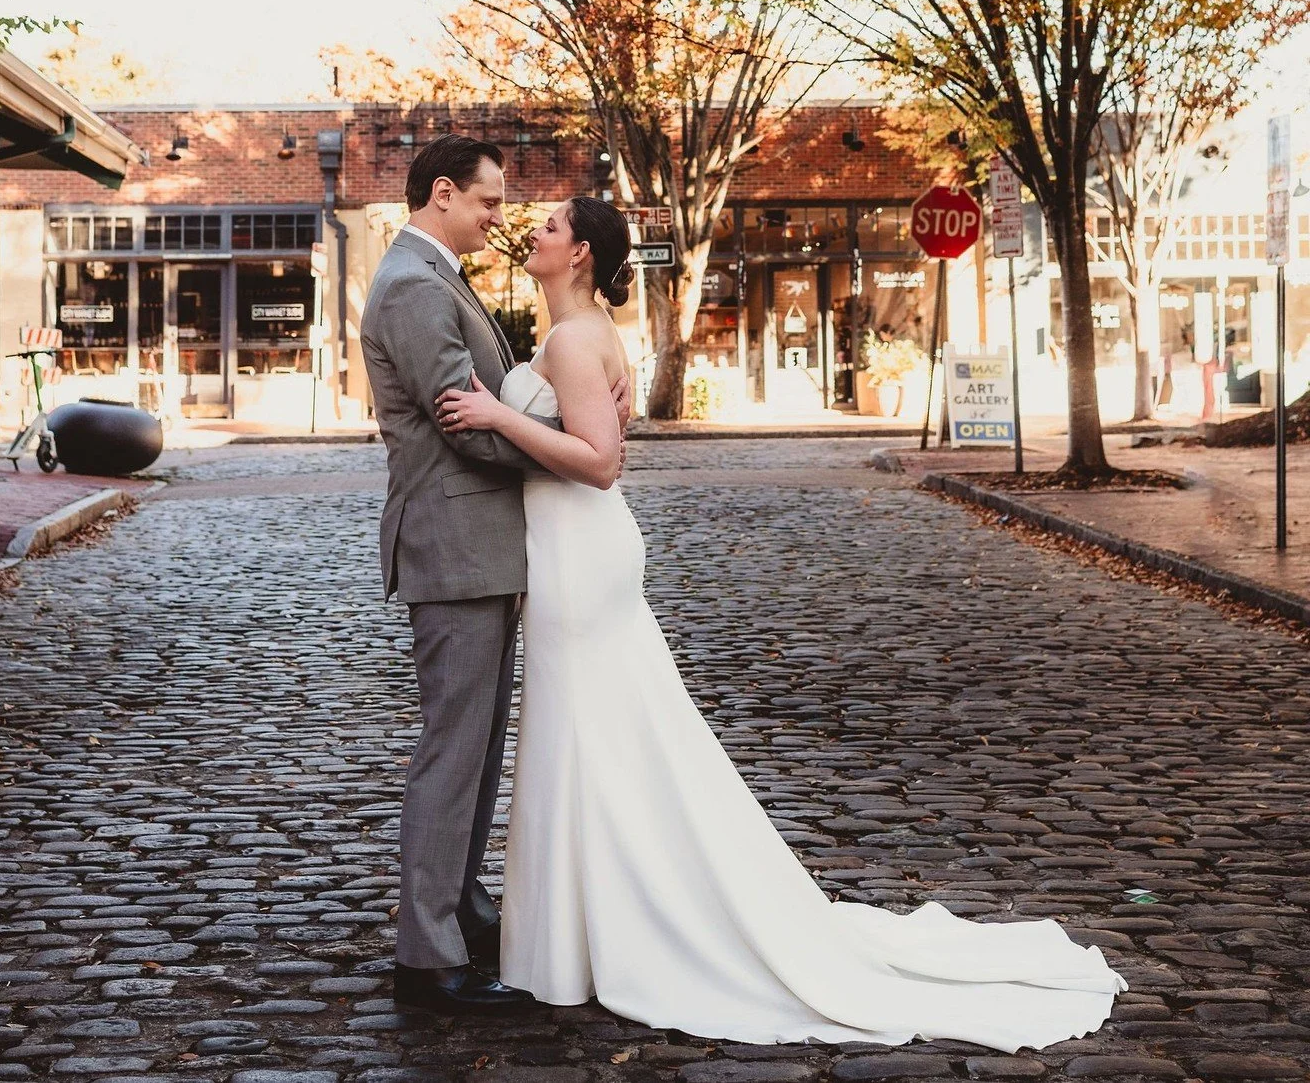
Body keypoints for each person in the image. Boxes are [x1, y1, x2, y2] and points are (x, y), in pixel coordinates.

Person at [435, 196, 1127, 1052]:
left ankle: (589, 934)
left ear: (578, 253)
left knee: (583, 733)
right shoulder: (576, 333)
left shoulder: (576, 340)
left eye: (548, 227)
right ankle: (579, 925)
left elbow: (602, 463)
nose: (532, 233)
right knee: (597, 735)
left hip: (580, 555)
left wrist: (499, 415)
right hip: (570, 551)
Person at [359, 136, 630, 1015]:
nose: (499, 219)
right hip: (454, 547)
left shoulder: (439, 277)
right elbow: (465, 426)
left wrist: (578, 424)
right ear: (443, 193)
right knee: (454, 748)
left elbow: (494, 403)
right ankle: (426, 955)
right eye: (488, 202)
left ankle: (464, 908)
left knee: (477, 747)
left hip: (485, 548)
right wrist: (578, 448)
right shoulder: (412, 286)